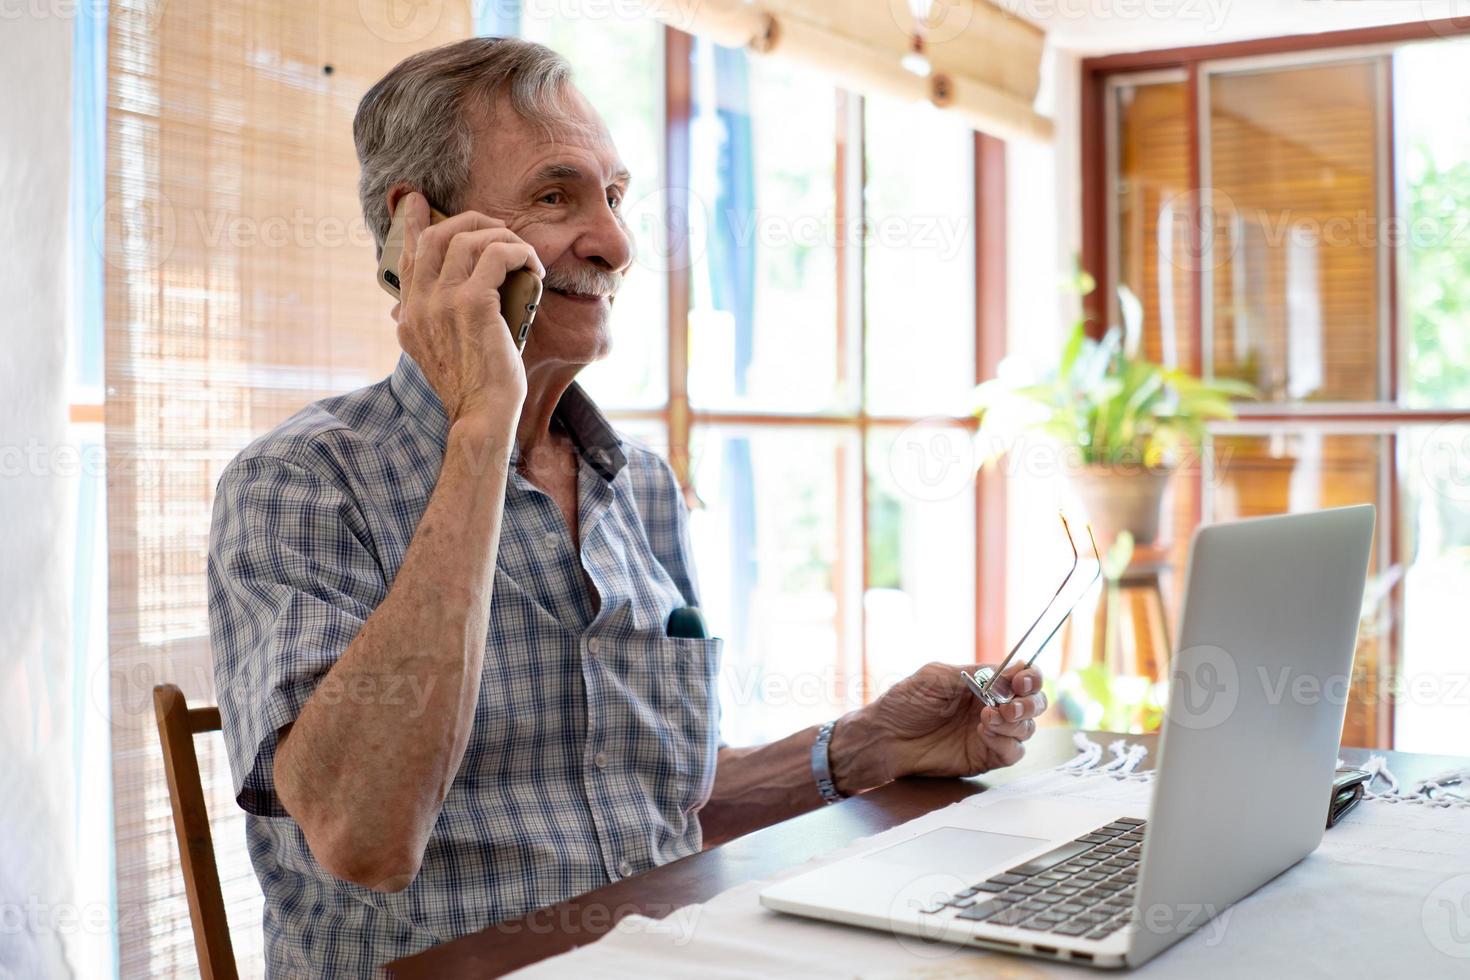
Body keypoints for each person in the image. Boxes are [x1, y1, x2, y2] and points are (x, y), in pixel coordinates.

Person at [208, 36, 1047, 977]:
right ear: (419, 236)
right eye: (556, 196)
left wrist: (866, 746)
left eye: (615, 195)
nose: (616, 242)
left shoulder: (639, 486)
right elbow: (366, 839)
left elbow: (647, 806)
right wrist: (485, 426)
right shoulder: (301, 482)